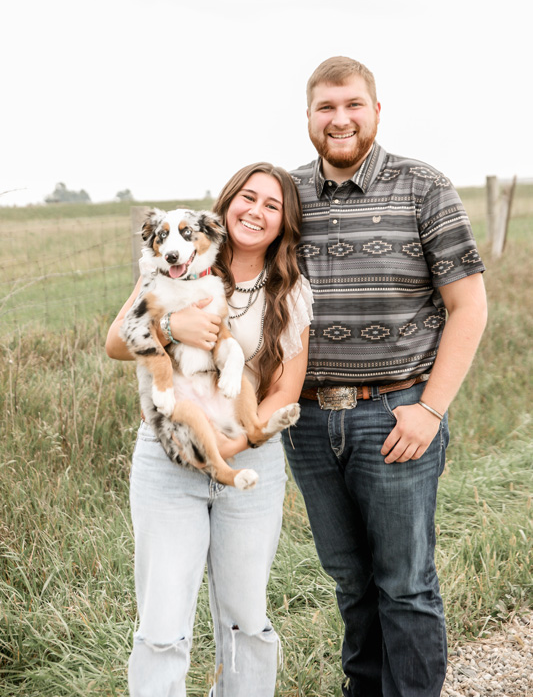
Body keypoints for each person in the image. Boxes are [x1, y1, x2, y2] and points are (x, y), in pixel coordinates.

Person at [283, 56, 488, 697]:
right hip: (309, 423)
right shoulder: (287, 195)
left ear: (376, 111)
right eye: (326, 107)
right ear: (309, 116)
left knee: (405, 583)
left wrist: (429, 409)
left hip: (395, 414)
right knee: (351, 582)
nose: (339, 119)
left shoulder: (423, 187)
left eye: (352, 105)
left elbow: (468, 306)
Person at [106, 163, 313, 697]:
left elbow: (287, 390)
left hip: (250, 455)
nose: (257, 211)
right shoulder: (172, 269)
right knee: (161, 625)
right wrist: (171, 326)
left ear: (284, 221)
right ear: (226, 206)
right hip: (167, 457)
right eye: (248, 197)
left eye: (272, 204)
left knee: (247, 618)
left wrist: (235, 444)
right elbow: (114, 341)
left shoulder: (289, 289)